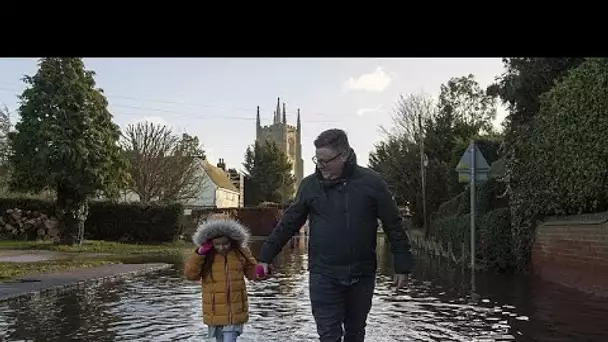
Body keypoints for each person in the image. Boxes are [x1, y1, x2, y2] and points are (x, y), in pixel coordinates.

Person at [257, 128, 414, 342]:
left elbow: (393, 224)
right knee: (329, 336)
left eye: (325, 161)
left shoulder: (372, 183)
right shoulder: (310, 186)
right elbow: (289, 223)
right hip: (323, 273)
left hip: (362, 274)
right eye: (317, 160)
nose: (320, 167)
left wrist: (402, 265)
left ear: (344, 155)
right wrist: (266, 255)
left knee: (355, 334)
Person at [184, 213, 266, 342]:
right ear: (210, 243)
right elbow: (191, 275)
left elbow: (251, 272)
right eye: (217, 244)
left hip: (235, 309)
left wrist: (261, 272)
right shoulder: (203, 256)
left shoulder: (240, 252)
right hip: (215, 310)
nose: (222, 247)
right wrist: (200, 254)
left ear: (231, 240)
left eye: (225, 244)